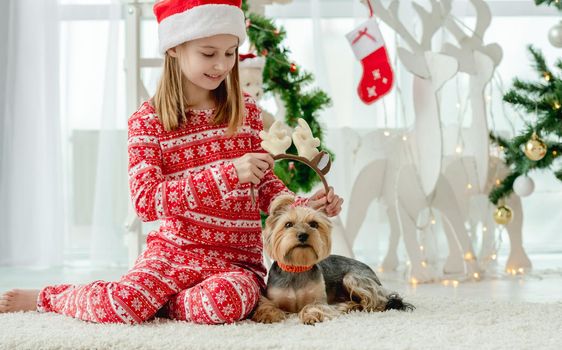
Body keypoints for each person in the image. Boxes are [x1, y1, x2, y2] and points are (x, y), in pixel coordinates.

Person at [0, 0, 343, 324]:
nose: (222, 65)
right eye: (208, 53)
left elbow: (266, 185)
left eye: (229, 53)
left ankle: (163, 306)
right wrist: (226, 174)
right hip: (171, 255)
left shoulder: (247, 111)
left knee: (229, 302)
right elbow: (146, 201)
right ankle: (50, 297)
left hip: (235, 262)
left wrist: (305, 205)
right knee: (123, 304)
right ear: (174, 49)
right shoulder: (147, 121)